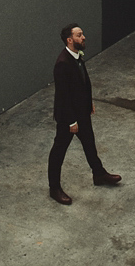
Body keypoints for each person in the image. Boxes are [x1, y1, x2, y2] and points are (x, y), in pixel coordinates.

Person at [47, 23, 121, 205]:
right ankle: (54, 188)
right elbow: (63, 97)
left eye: (82, 34)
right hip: (68, 117)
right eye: (80, 35)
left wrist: (89, 103)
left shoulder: (77, 56)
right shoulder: (62, 64)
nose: (84, 37)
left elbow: (82, 84)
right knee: (59, 151)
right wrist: (71, 121)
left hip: (82, 111)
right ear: (69, 40)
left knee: (89, 143)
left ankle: (99, 174)